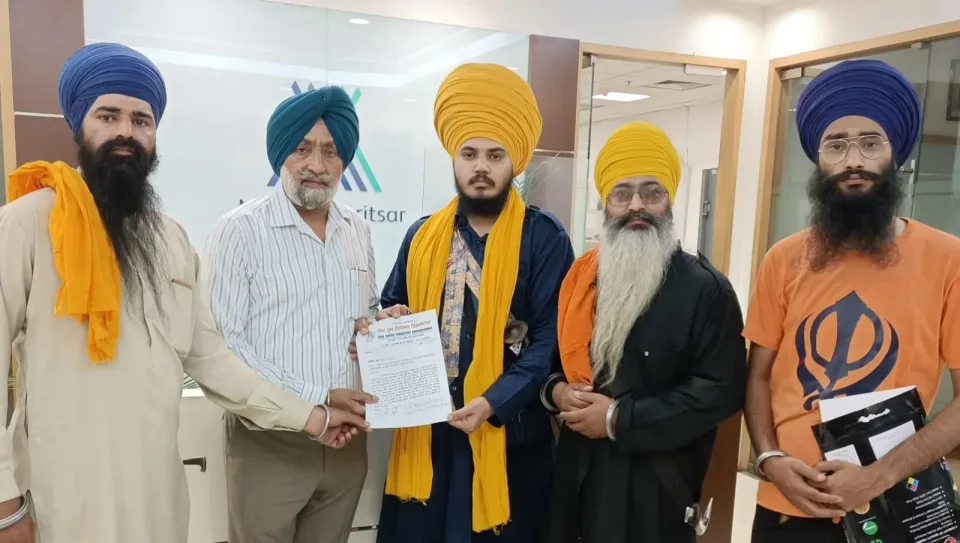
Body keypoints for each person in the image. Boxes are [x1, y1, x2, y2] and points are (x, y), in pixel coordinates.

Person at [0, 43, 368, 543]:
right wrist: (6, 503)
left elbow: (213, 360)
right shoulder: (27, 224)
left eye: (142, 120)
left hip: (157, 498)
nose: (126, 132)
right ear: (78, 126)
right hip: (62, 499)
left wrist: (314, 417)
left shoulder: (170, 240)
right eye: (108, 116)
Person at [744, 59, 960, 542]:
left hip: (899, 504)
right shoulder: (783, 259)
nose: (853, 160)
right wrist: (769, 459)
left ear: (895, 153)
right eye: (836, 145)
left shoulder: (949, 260)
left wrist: (878, 476)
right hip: (789, 504)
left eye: (871, 142)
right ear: (818, 158)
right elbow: (758, 375)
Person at [370, 63, 575, 543]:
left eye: (494, 155)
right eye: (469, 154)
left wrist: (493, 401)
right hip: (430, 435)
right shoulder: (422, 235)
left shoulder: (543, 237)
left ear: (513, 162)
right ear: (455, 158)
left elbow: (550, 339)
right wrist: (389, 320)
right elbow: (392, 305)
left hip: (508, 435)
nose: (481, 167)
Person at [540, 121, 747, 543]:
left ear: (669, 200)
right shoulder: (580, 280)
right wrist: (557, 391)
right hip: (576, 479)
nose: (636, 205)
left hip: (653, 490)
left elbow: (718, 391)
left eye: (651, 192)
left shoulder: (706, 290)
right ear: (606, 204)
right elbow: (550, 360)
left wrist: (617, 419)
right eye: (622, 194)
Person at [202, 85, 379, 543]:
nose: (316, 164)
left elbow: (365, 313)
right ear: (282, 154)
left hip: (346, 445)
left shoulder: (357, 229)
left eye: (331, 151)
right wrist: (318, 400)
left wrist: (382, 326)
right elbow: (224, 346)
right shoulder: (239, 231)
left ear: (344, 161)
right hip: (270, 442)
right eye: (303, 148)